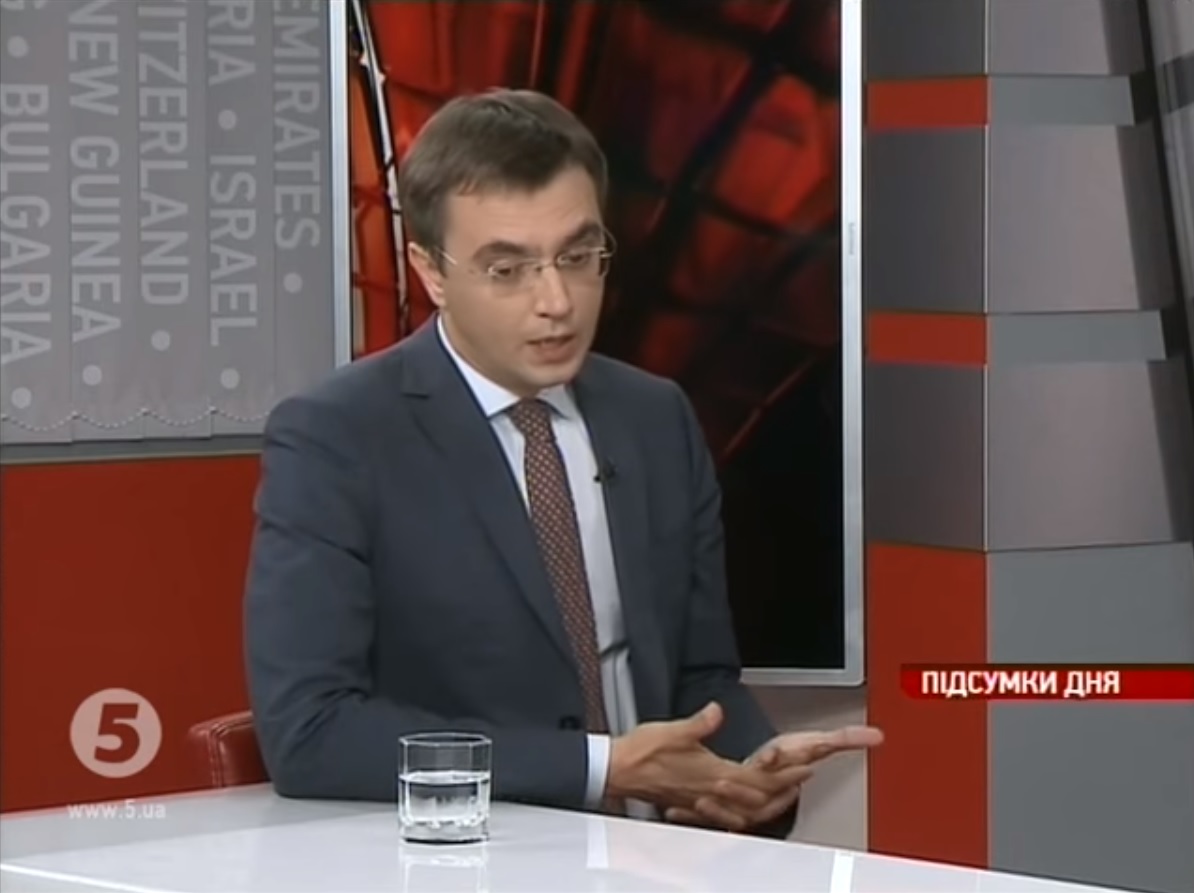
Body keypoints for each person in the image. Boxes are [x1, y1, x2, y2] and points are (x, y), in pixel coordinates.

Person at [244, 88, 881, 837]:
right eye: (506, 269)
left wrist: (749, 771)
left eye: (578, 257)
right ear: (431, 271)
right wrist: (599, 767)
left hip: (661, 861)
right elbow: (311, 732)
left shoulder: (656, 418)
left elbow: (701, 678)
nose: (557, 301)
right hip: (470, 864)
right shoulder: (338, 437)